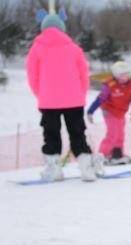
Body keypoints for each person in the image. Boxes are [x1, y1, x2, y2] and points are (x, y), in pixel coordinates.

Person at [26, 8, 97, 182]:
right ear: (62, 27)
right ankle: (86, 168)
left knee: (51, 134)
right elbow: (83, 74)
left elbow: (32, 75)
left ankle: (54, 169)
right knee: (77, 133)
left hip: (48, 101)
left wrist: (41, 94)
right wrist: (80, 94)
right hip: (74, 100)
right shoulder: (74, 48)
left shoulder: (36, 49)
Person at [87, 61, 131, 165]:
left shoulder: (130, 84)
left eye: (126, 74)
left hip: (121, 112)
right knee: (112, 134)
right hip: (110, 111)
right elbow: (100, 99)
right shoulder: (110, 85)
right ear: (116, 75)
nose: (124, 77)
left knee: (120, 134)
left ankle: (117, 154)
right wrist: (90, 111)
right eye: (121, 75)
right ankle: (102, 156)